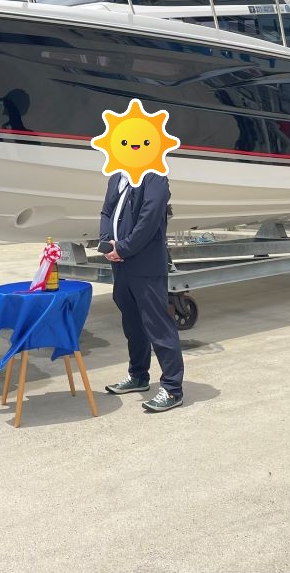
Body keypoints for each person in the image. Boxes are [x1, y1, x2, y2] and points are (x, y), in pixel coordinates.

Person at [100, 172, 185, 411]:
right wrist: (106, 243)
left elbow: (149, 219)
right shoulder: (117, 177)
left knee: (158, 325)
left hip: (145, 264)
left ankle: (172, 389)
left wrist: (123, 248)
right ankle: (138, 375)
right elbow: (106, 212)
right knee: (132, 323)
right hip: (120, 264)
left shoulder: (154, 176)